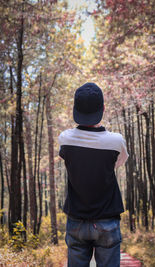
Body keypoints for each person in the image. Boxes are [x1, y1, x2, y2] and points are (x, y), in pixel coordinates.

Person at [58, 82, 128, 267]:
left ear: (75, 109)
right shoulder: (116, 141)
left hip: (76, 220)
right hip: (107, 220)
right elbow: (118, 163)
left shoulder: (65, 139)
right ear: (103, 108)